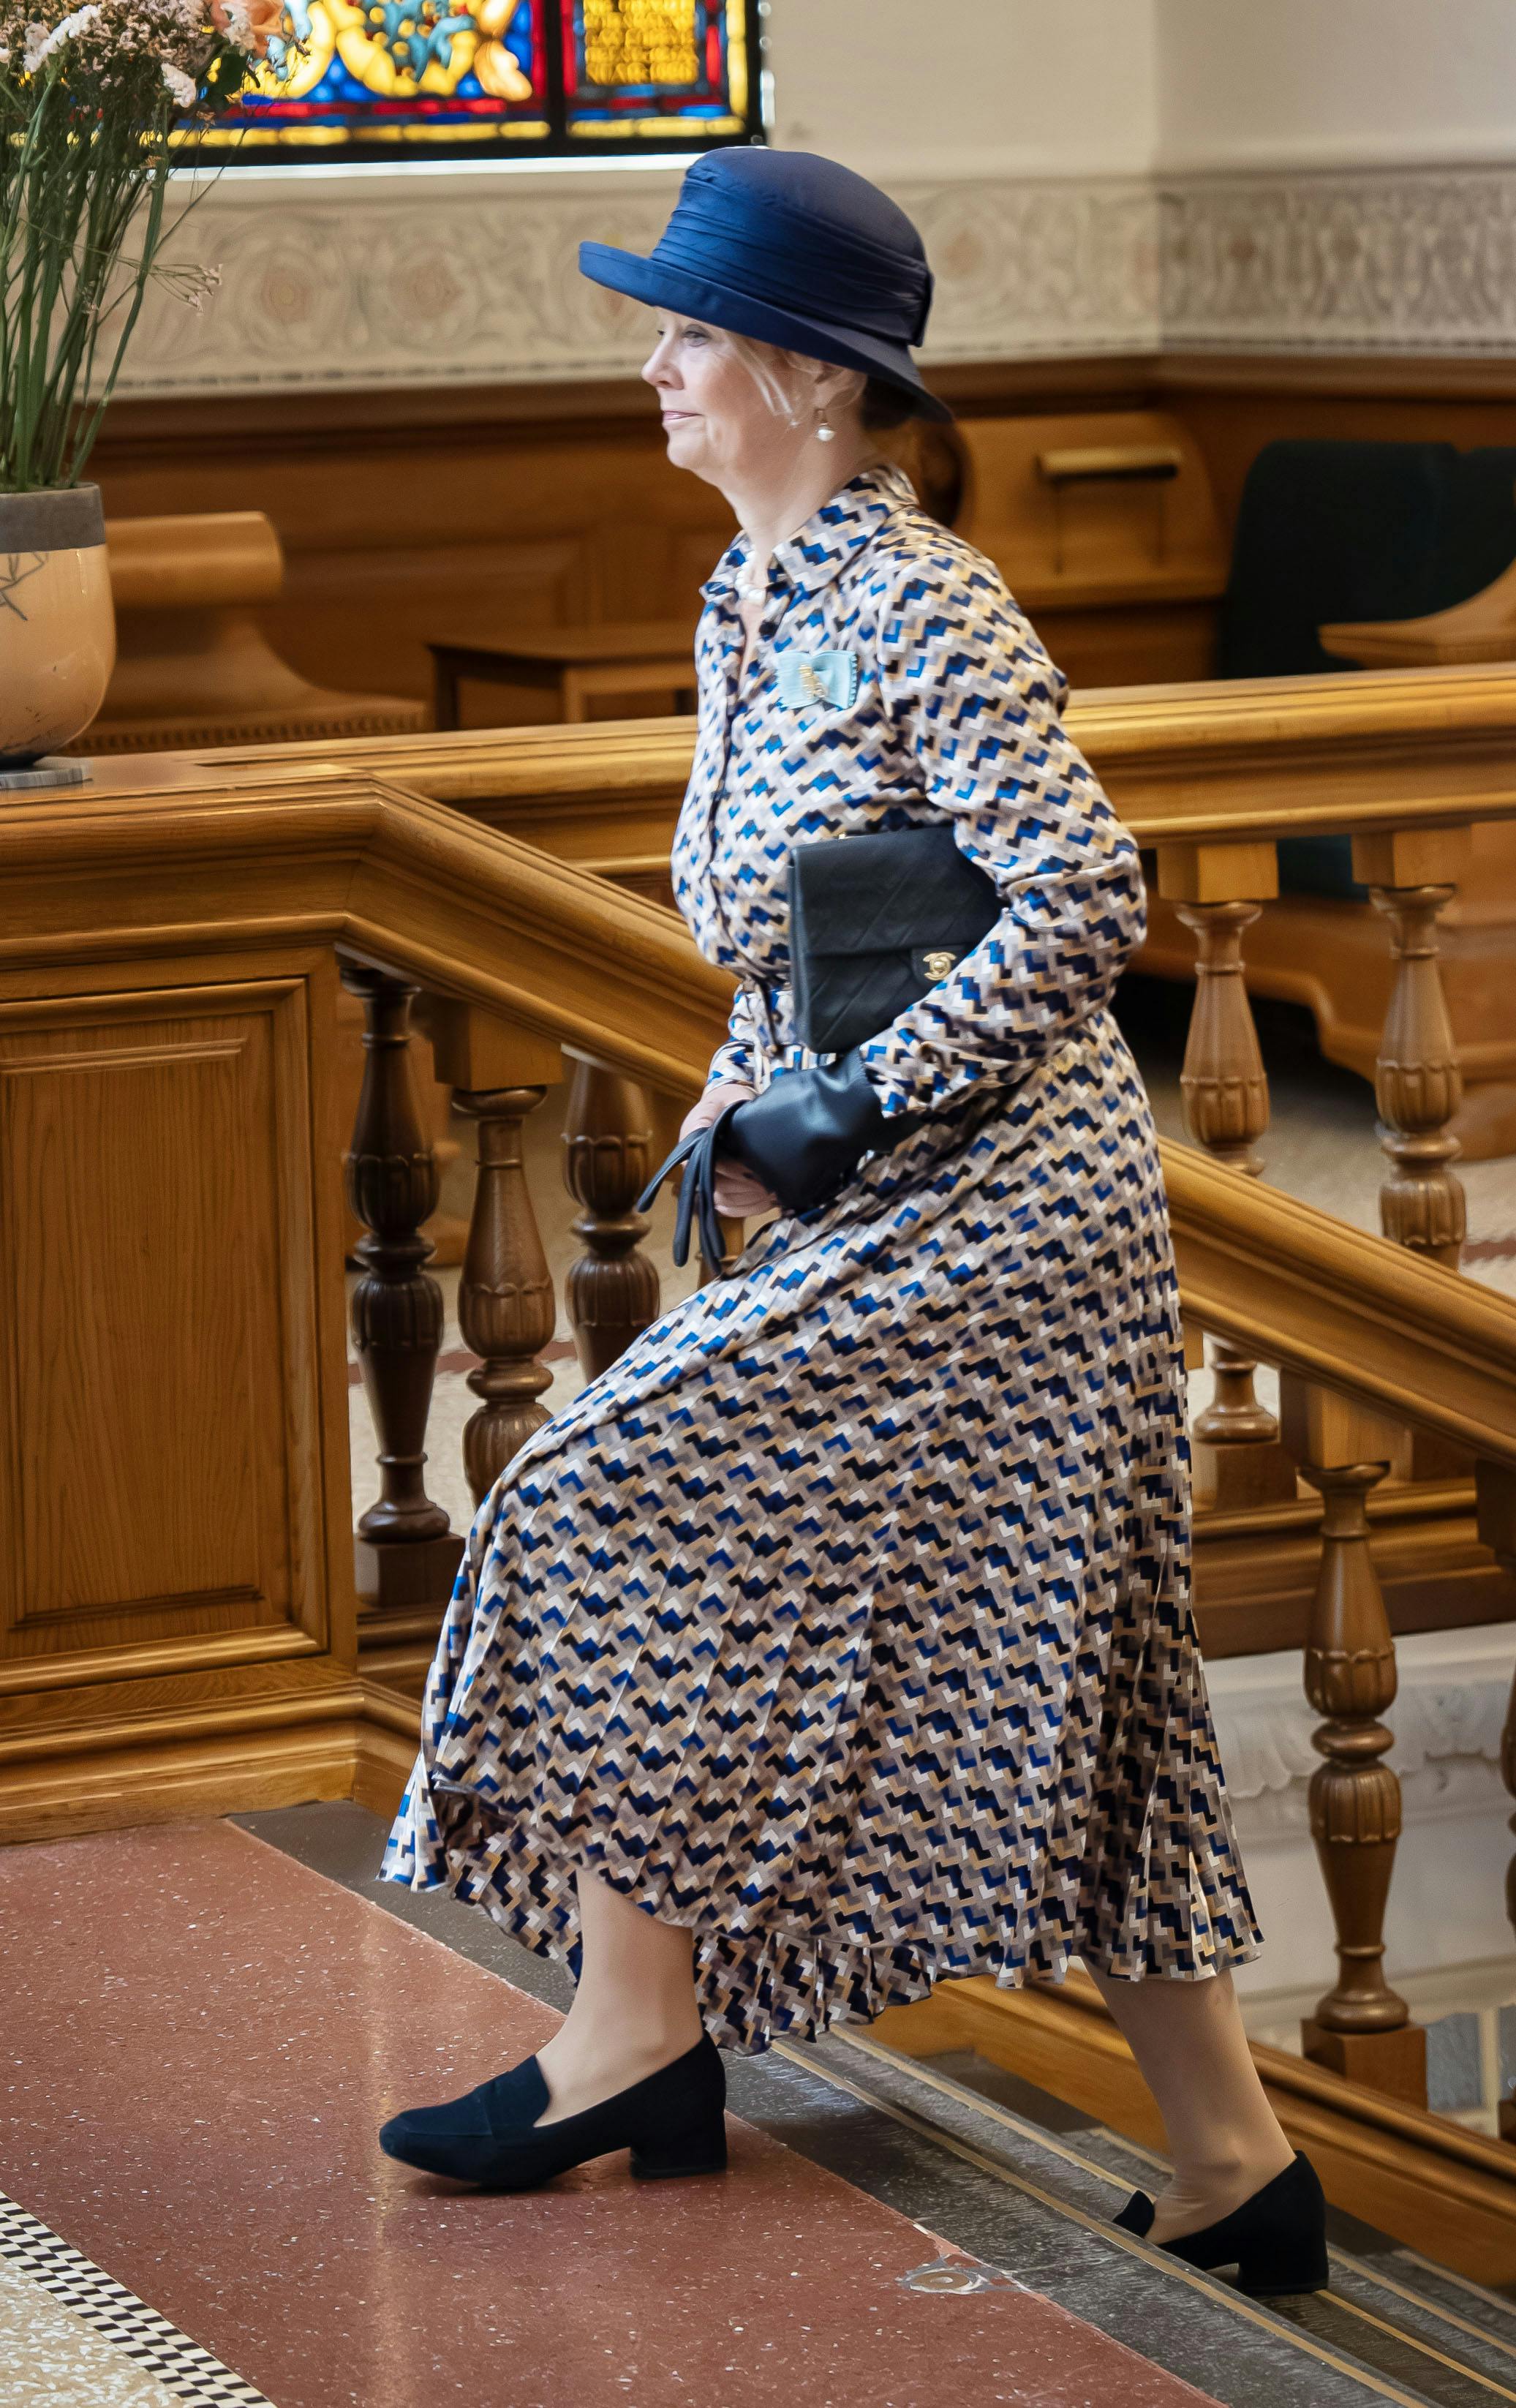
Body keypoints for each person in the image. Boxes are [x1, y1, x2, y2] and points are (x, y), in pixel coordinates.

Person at [377, 146, 1326, 2297]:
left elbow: (1092, 897)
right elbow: (798, 931)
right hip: (860, 1176)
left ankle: (631, 2033)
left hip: (1001, 1204)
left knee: (603, 1498)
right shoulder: (751, 593)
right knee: (1073, 1656)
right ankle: (1235, 2158)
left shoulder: (925, 595)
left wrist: (855, 1094)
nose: (656, 366)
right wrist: (755, 1108)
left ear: (810, 375)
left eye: (691, 333)